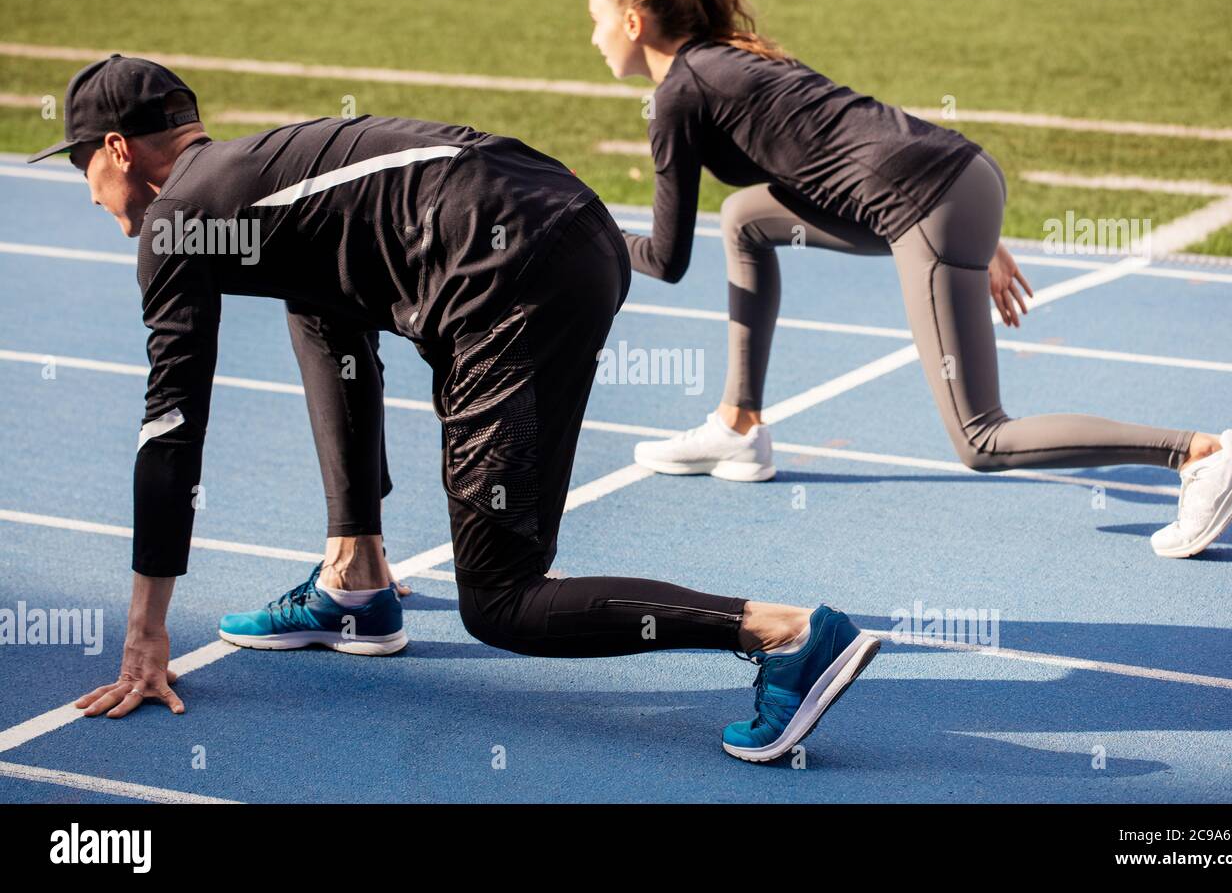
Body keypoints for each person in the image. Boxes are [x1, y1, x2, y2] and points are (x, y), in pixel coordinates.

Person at [32, 53, 879, 761]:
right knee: (316, 306)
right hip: (561, 227)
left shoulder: (176, 222)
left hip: (510, 276)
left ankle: (779, 632)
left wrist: (145, 634)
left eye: (82, 165)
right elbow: (331, 321)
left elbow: (172, 426)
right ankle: (355, 581)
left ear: (119, 148)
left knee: (501, 600)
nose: (88, 189)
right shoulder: (259, 179)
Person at [588, 0, 1232, 559]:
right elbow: (847, 137)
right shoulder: (735, 58)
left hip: (932, 203)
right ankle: (738, 426)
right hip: (957, 178)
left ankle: (1198, 453)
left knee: (981, 438)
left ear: (633, 23)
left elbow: (668, 257)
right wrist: (981, 229)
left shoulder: (679, 93)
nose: (591, 39)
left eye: (595, 22)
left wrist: (583, 231)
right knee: (743, 217)